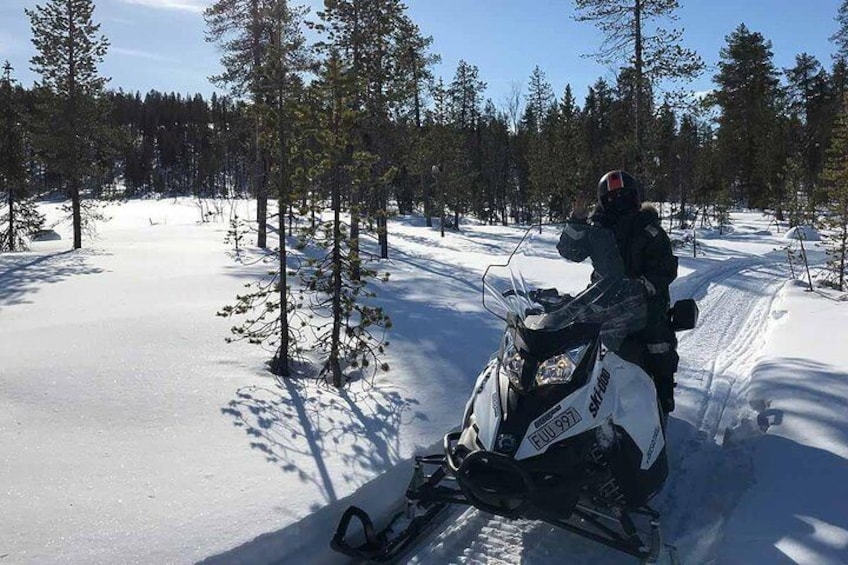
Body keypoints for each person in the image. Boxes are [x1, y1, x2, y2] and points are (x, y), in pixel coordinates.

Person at [558, 170, 679, 414]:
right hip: (605, 296)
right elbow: (570, 251)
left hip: (644, 299)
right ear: (603, 201)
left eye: (623, 196)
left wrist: (646, 284)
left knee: (658, 339)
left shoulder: (648, 228)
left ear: (634, 197)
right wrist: (577, 220)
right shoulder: (596, 227)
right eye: (612, 198)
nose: (618, 202)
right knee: (576, 342)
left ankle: (662, 396)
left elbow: (666, 267)